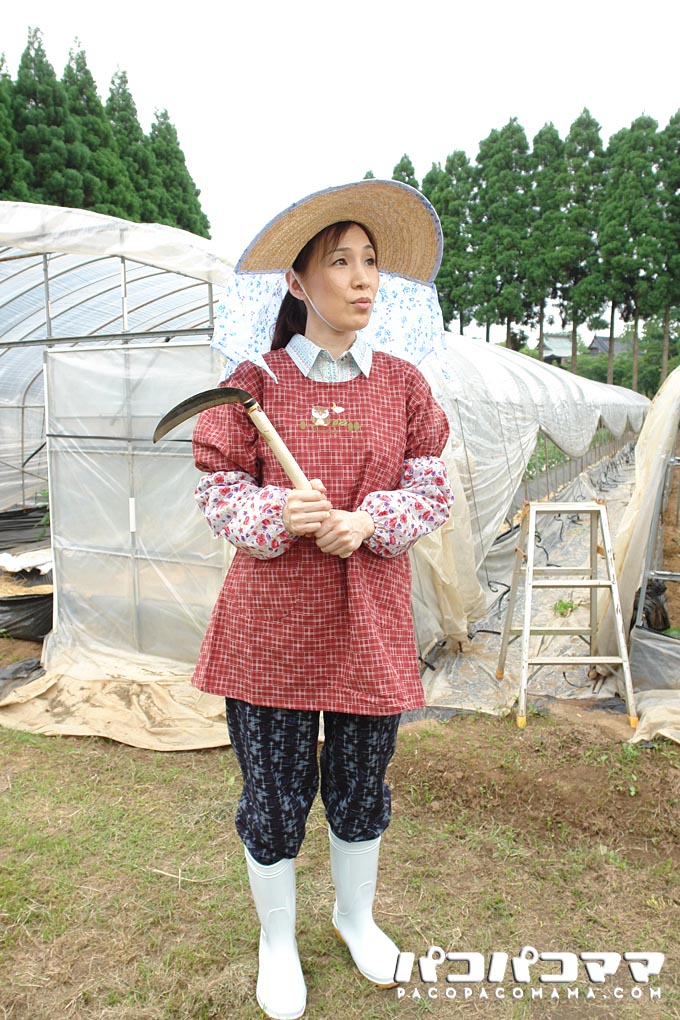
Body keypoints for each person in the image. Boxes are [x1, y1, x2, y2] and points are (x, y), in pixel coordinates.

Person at [191, 180, 453, 1020]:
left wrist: (369, 520)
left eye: (371, 260)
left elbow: (432, 490)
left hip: (369, 624)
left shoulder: (403, 386)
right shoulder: (252, 385)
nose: (363, 277)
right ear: (298, 282)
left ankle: (354, 917)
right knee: (273, 796)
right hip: (269, 630)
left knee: (360, 783)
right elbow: (218, 490)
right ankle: (278, 942)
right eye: (340, 261)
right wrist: (280, 512)